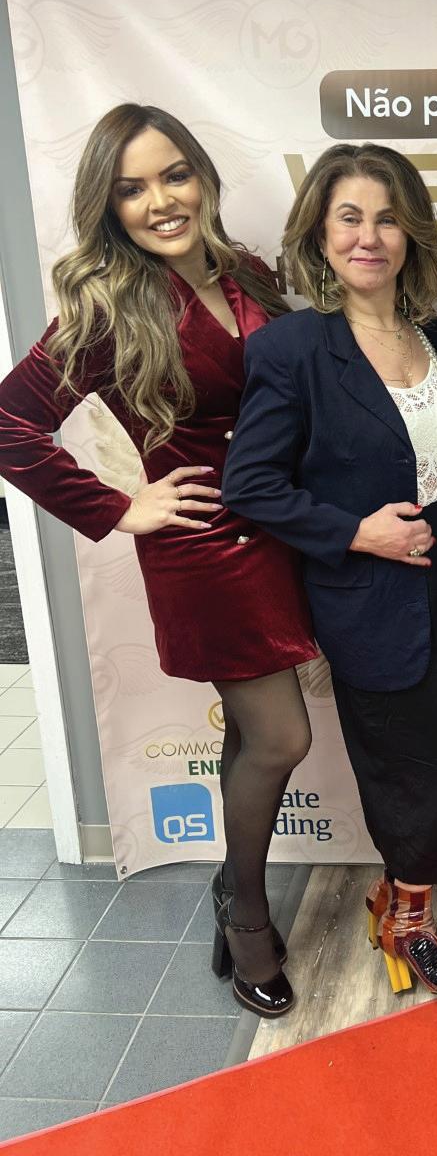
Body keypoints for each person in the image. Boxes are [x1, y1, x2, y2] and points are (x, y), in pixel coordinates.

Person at [0, 104, 321, 1018]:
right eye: (131, 189)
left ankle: (233, 885)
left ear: (203, 177)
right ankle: (246, 912)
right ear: (109, 207)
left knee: (252, 734)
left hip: (283, 531)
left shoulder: (247, 268)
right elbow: (9, 424)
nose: (160, 201)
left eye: (173, 175)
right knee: (283, 738)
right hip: (206, 553)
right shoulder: (108, 305)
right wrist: (118, 506)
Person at [221, 142, 437, 995]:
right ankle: (408, 926)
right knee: (403, 764)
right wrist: (355, 533)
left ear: (412, 235)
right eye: (350, 218)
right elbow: (250, 485)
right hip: (370, 592)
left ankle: (403, 901)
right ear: (320, 232)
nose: (369, 237)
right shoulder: (295, 348)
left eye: (387, 219)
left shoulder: (434, 337)